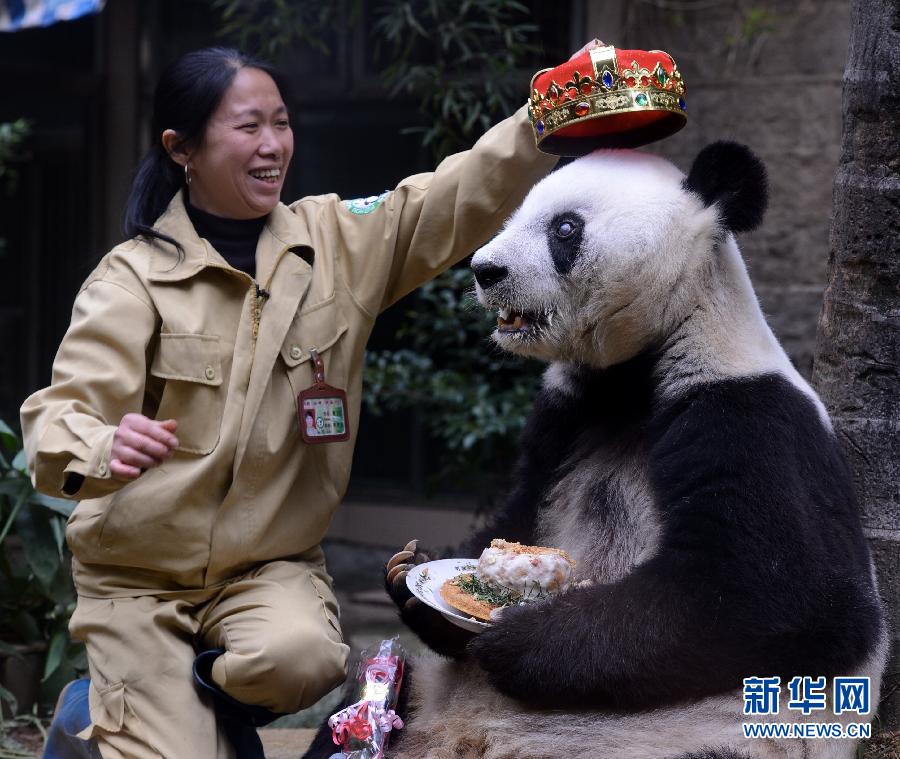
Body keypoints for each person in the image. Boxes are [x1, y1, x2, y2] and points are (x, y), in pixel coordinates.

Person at [21, 45, 557, 759]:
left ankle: (178, 700)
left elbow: (452, 198)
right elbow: (59, 416)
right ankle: (100, 709)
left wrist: (546, 113)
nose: (272, 144)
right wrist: (102, 446)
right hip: (139, 577)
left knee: (304, 658)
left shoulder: (334, 239)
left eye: (281, 122)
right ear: (182, 149)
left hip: (265, 568)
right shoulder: (131, 279)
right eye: (248, 127)